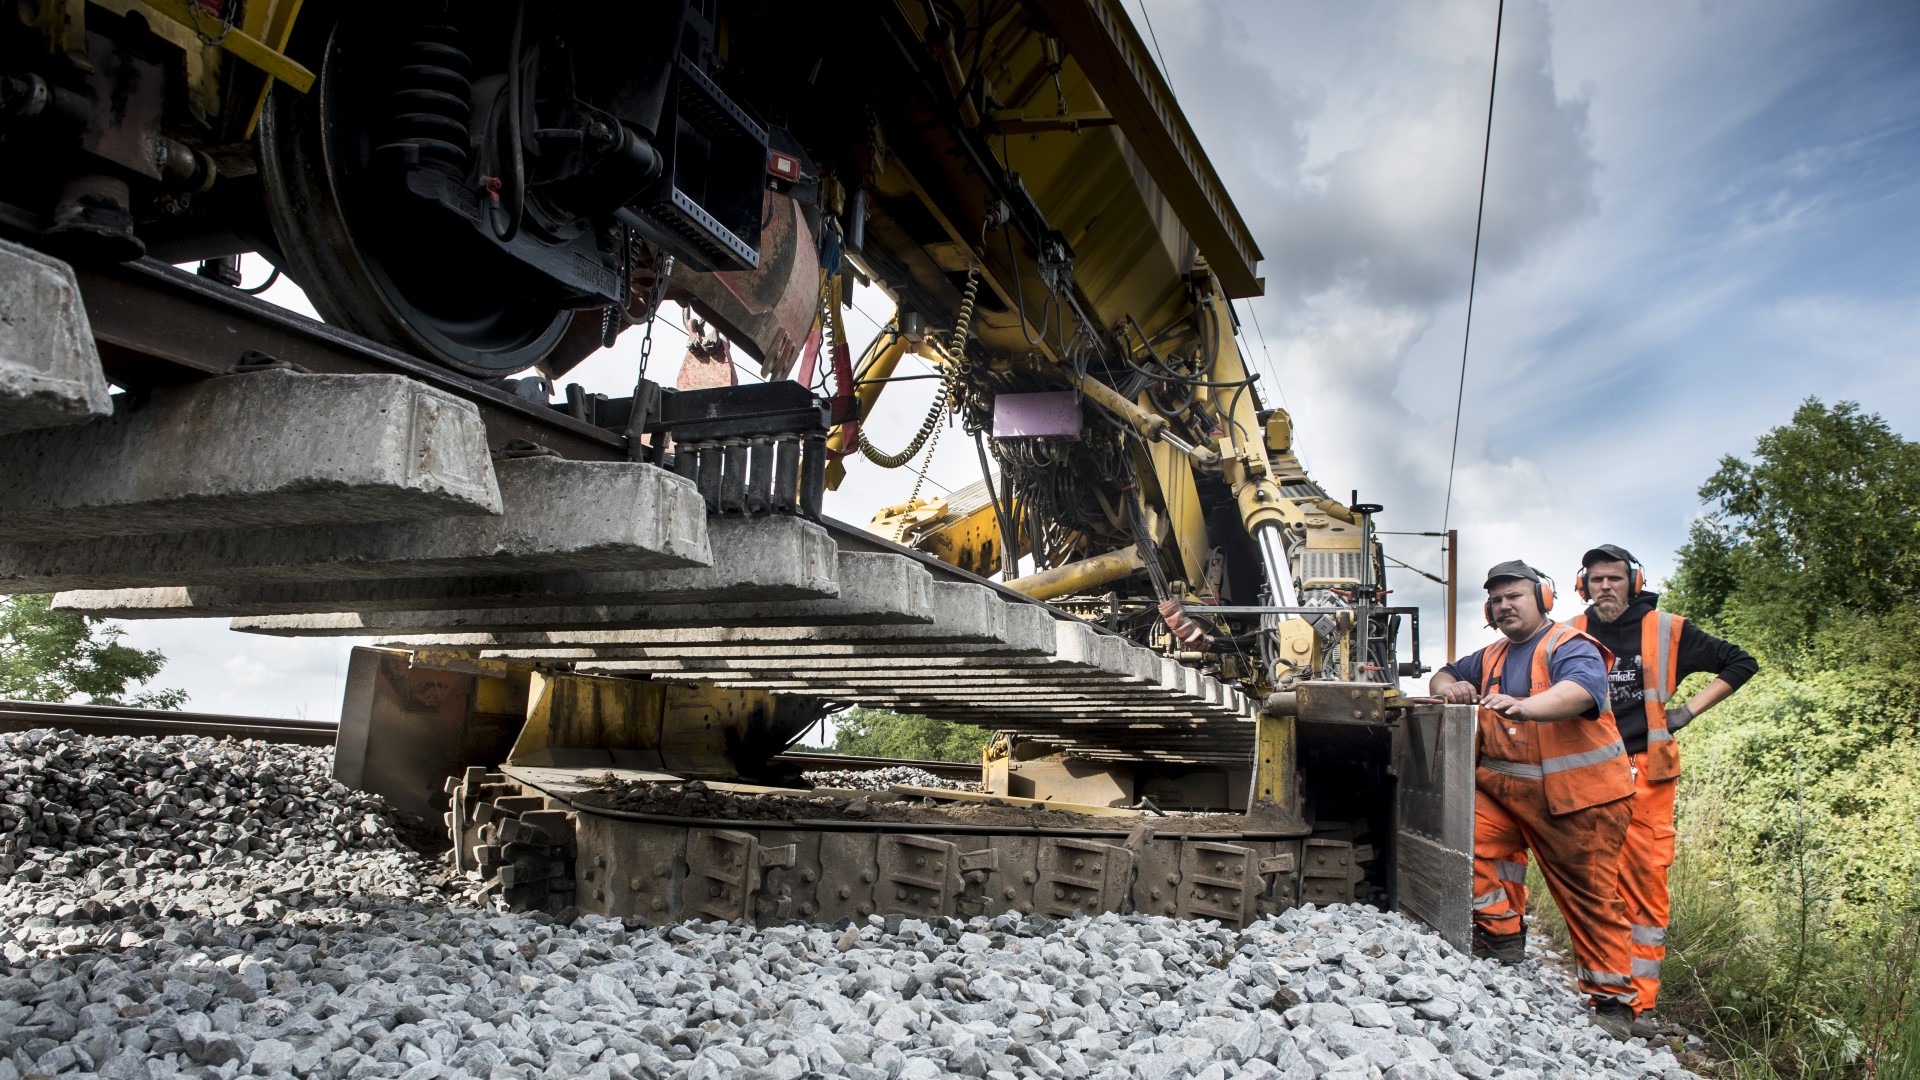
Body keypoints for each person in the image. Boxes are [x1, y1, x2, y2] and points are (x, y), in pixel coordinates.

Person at [1430, 560, 1640, 1038]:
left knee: (1589, 900)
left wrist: (1526, 707)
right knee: (1464, 833)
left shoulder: (1569, 646)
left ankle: (1612, 1003)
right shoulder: (1491, 657)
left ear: (1543, 598)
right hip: (1509, 798)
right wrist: (1453, 687)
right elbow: (1440, 676)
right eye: (1497, 600)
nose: (1505, 606)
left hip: (1580, 803)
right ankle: (1503, 936)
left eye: (1515, 596)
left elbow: (1581, 691)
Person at [1567, 543, 1757, 1032]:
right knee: (1593, 884)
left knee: (1645, 888)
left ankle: (1641, 1004)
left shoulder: (1666, 629)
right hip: (1586, 773)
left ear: (1633, 580)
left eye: (1613, 578)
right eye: (1595, 579)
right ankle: (1603, 994)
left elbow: (1740, 663)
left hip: (1645, 774)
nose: (1604, 586)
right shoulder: (1569, 634)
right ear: (1582, 584)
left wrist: (1685, 713)